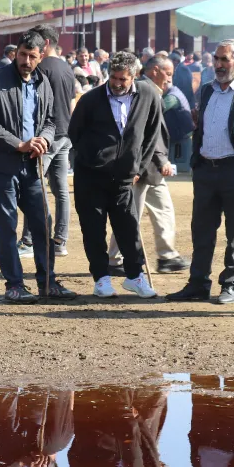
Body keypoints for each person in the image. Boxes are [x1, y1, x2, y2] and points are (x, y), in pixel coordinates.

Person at [166, 40, 234, 305]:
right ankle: (198, 284)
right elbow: (200, 126)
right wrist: (196, 159)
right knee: (201, 231)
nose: (219, 65)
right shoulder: (206, 90)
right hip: (205, 170)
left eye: (225, 59)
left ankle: (230, 285)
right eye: (217, 59)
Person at [0, 31, 77, 304]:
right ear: (16, 53)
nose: (26, 60)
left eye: (32, 56)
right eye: (22, 54)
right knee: (7, 227)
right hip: (4, 165)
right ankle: (14, 284)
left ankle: (48, 282)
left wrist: (44, 139)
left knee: (43, 224)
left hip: (33, 167)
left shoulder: (43, 82)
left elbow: (50, 120)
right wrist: (19, 143)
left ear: (40, 56)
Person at [68, 51, 163, 299]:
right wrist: (94, 158)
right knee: (93, 231)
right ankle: (101, 279)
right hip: (91, 177)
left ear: (134, 75)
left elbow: (152, 134)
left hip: (125, 177)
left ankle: (135, 277)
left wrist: (139, 168)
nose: (118, 83)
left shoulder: (149, 95)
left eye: (123, 79)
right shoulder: (89, 100)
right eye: (114, 78)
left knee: (128, 229)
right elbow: (74, 133)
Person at [124, 55, 190, 274]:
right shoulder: (144, 89)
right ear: (154, 71)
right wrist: (161, 160)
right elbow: (144, 133)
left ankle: (167, 256)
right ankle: (115, 260)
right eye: (167, 73)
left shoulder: (152, 90)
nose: (170, 80)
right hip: (141, 165)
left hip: (152, 166)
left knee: (163, 210)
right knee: (129, 215)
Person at [15, 24, 74, 260]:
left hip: (45, 137)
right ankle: (60, 240)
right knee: (61, 191)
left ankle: (29, 240)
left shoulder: (41, 69)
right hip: (65, 134)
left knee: (34, 189)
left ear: (45, 45)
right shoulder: (67, 68)